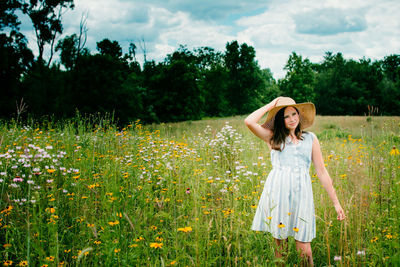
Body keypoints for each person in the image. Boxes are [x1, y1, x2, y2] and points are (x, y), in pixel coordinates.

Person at [244, 97, 346, 266]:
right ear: (280, 120)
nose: (292, 119)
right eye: (286, 116)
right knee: (281, 251)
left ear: (299, 115)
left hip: (302, 196)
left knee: (305, 252)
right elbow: (249, 121)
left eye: (294, 114)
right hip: (279, 195)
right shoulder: (273, 137)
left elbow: (321, 171)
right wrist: (272, 105)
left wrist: (336, 203)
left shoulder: (310, 139)